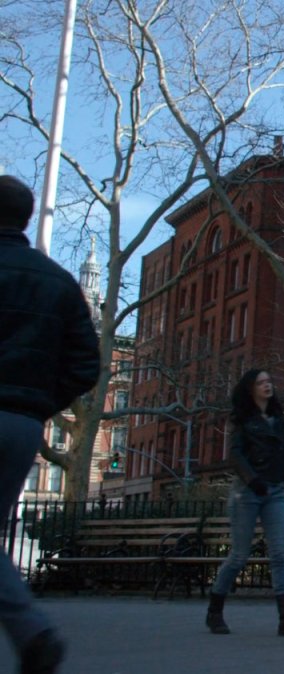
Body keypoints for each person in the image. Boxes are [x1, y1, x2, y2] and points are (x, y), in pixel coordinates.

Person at [0, 175, 100, 673]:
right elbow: (86, 365)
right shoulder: (59, 281)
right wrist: (37, 404)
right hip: (22, 423)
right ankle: (31, 631)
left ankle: (32, 629)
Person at [205, 369, 284, 637]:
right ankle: (215, 611)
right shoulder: (241, 419)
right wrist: (253, 481)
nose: (267, 386)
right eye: (261, 382)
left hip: (275, 491)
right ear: (250, 389)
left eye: (269, 381)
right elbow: (236, 455)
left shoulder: (279, 420)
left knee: (279, 555)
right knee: (239, 556)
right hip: (247, 493)